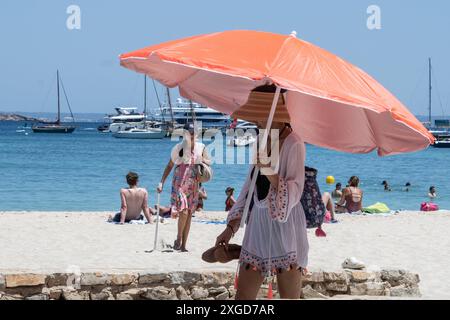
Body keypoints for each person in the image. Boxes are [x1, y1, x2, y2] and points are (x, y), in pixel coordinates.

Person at [215, 118, 308, 300]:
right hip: (258, 224)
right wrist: (230, 228)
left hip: (287, 228)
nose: (255, 120)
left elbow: (295, 191)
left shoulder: (295, 143)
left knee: (289, 297)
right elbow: (249, 189)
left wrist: (267, 169)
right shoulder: (261, 140)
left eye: (259, 115)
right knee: (242, 298)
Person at [157, 124, 210, 252]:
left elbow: (208, 162)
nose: (191, 135)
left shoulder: (201, 147)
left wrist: (202, 162)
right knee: (184, 211)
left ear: (196, 134)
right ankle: (179, 237)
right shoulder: (178, 148)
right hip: (179, 183)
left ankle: (184, 245)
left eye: (193, 132)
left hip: (194, 184)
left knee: (190, 213)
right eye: (188, 132)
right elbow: (170, 166)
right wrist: (161, 182)